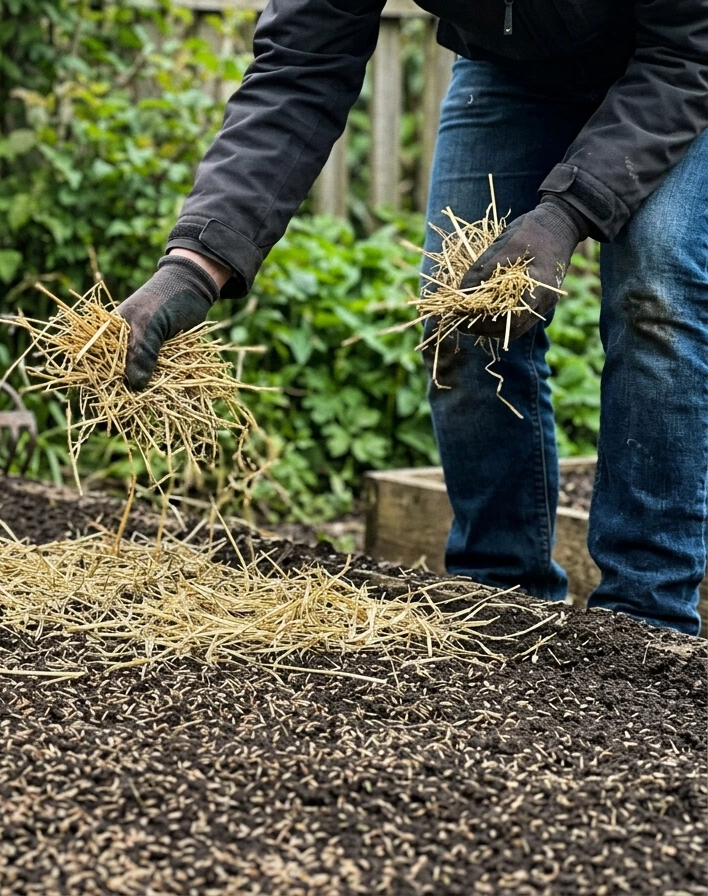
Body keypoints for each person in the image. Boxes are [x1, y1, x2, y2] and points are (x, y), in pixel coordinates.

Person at [116, 0, 708, 636]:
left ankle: (646, 620)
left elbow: (690, 46)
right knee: (456, 306)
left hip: (676, 64)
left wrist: (566, 215)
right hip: (508, 67)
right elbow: (299, 66)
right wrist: (197, 264)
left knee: (656, 289)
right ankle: (504, 597)